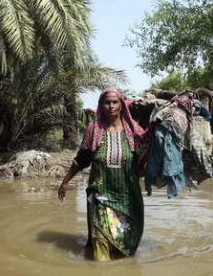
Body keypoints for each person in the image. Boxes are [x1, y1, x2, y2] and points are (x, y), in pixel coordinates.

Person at [58, 88, 147, 261]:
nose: (111, 106)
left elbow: (146, 159)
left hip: (128, 199)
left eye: (115, 102)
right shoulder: (94, 131)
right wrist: (65, 182)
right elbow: (81, 159)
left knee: (124, 248)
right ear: (101, 106)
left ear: (122, 105)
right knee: (101, 248)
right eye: (107, 102)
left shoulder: (133, 131)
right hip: (100, 196)